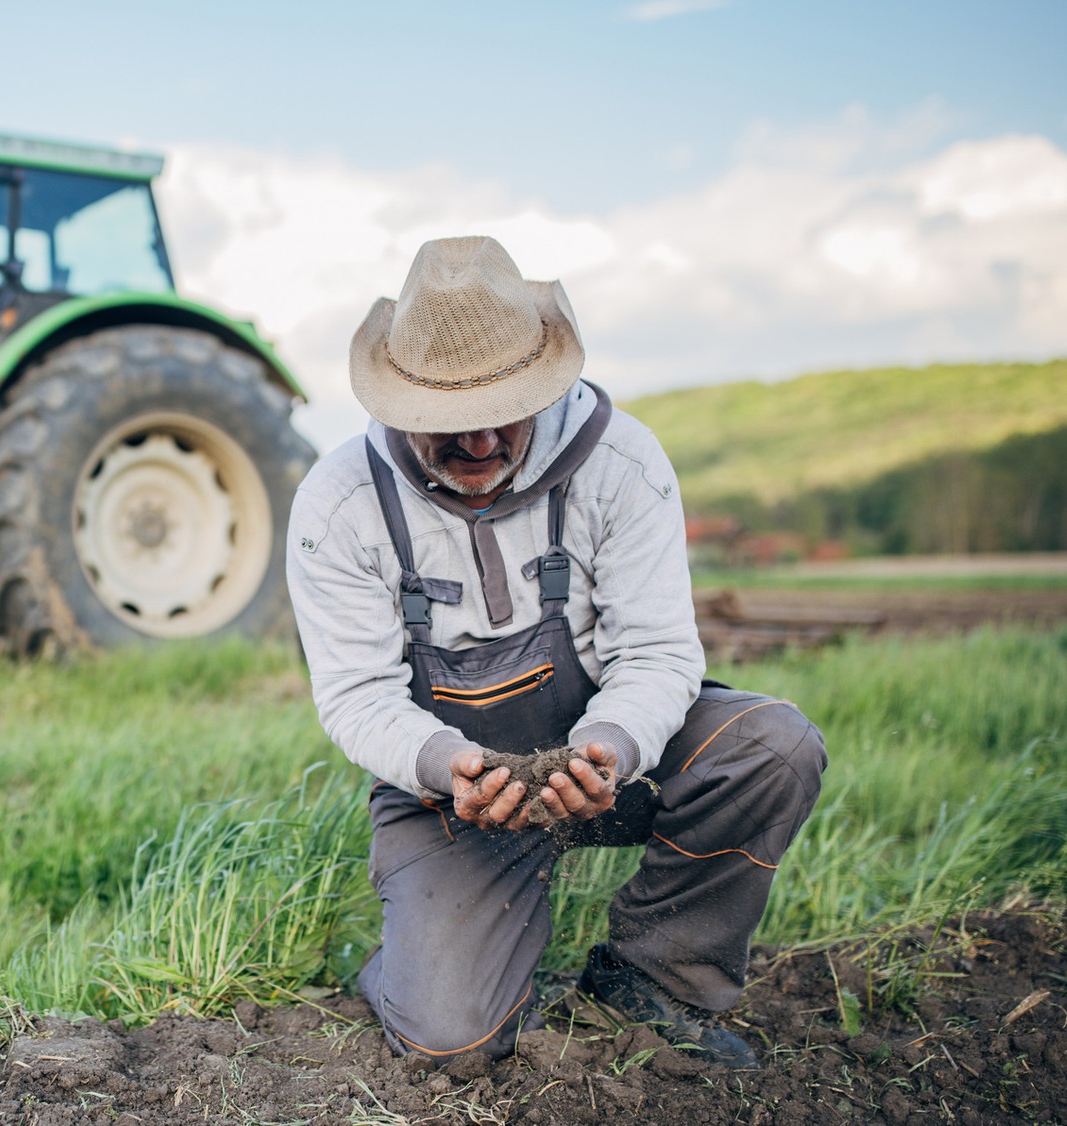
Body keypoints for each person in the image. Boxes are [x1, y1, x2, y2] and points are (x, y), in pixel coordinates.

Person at [287, 236, 826, 1068]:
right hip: (450, 795)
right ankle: (421, 964)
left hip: (609, 761)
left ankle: (656, 975)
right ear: (399, 404)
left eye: (502, 412)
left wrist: (607, 748)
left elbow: (655, 651)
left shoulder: (621, 461)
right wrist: (444, 766)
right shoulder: (339, 503)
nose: (477, 445)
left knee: (773, 748)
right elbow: (357, 696)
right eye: (448, 425)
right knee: (452, 1043)